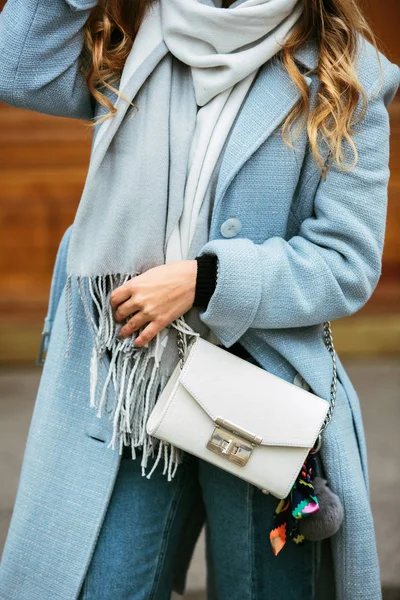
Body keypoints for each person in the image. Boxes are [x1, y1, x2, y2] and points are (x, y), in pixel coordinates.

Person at [0, 0, 399, 598]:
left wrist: (205, 280)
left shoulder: (347, 75)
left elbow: (347, 262)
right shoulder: (133, 36)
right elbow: (17, 67)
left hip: (258, 396)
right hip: (129, 384)